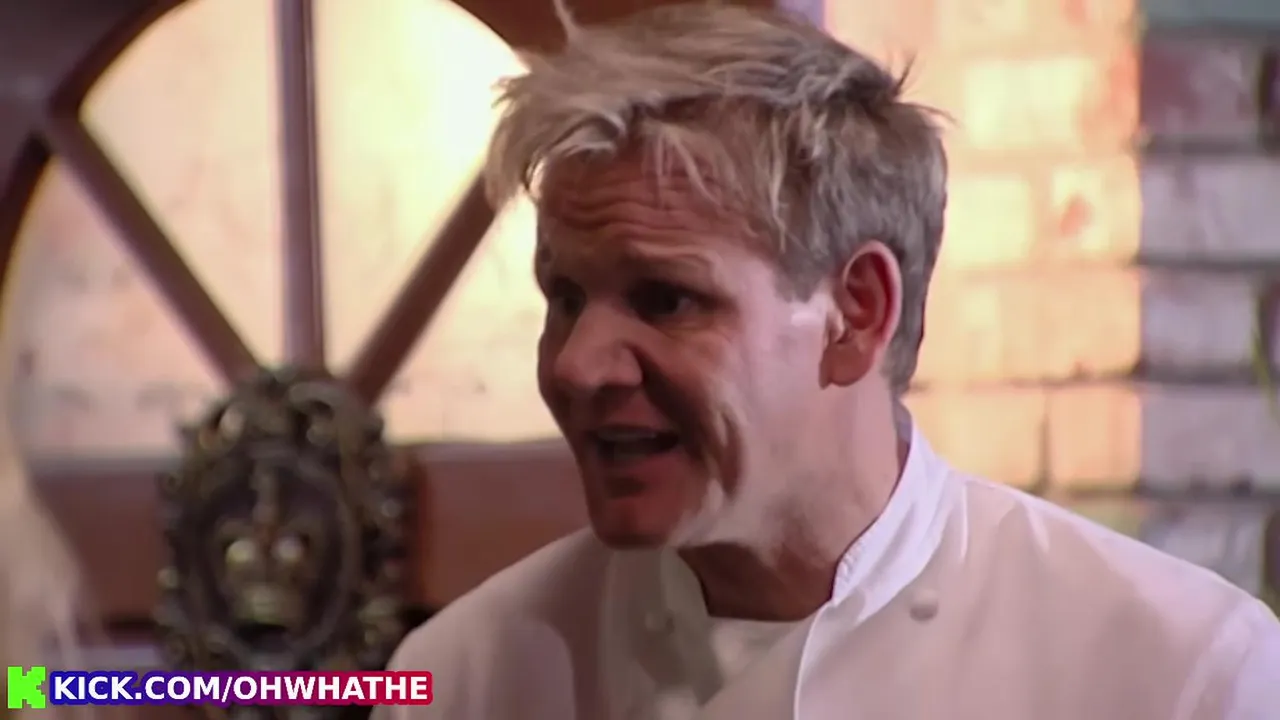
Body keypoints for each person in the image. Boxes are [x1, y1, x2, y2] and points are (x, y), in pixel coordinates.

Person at [378, 4, 1280, 718]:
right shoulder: (462, 678)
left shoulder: (1183, 674)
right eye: (565, 297)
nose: (579, 366)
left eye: (666, 300)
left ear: (857, 314)